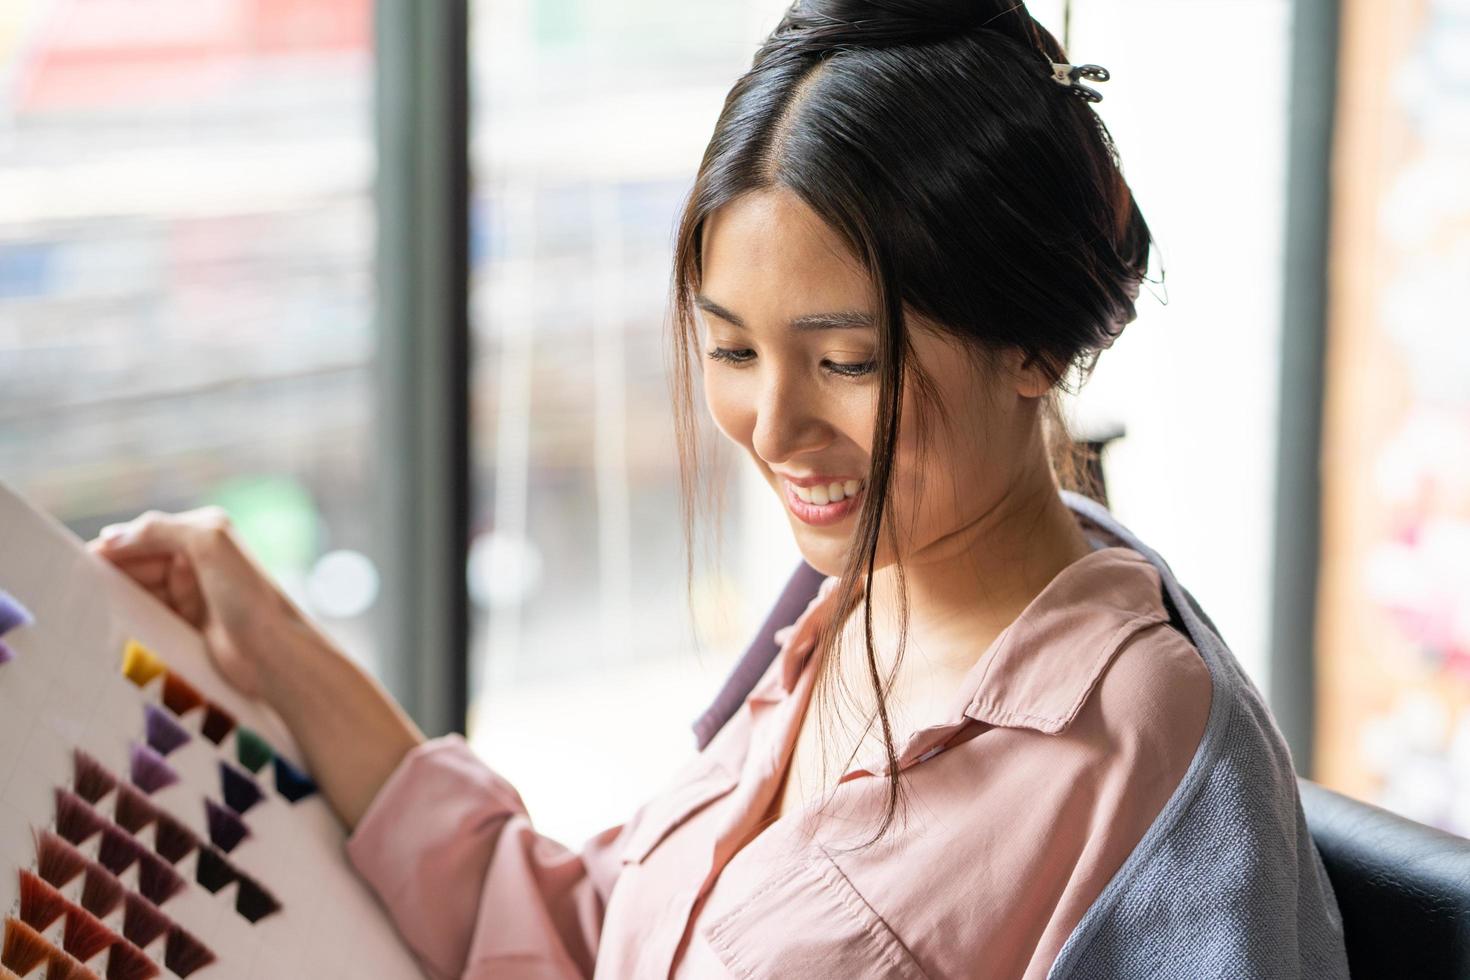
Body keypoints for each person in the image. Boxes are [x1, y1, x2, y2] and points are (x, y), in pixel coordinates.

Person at [88, 1, 1350, 977]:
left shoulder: (1144, 752)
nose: (775, 425)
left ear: (1034, 345)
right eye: (733, 350)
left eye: (847, 361)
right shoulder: (834, 616)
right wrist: (271, 635)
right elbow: (588, 931)